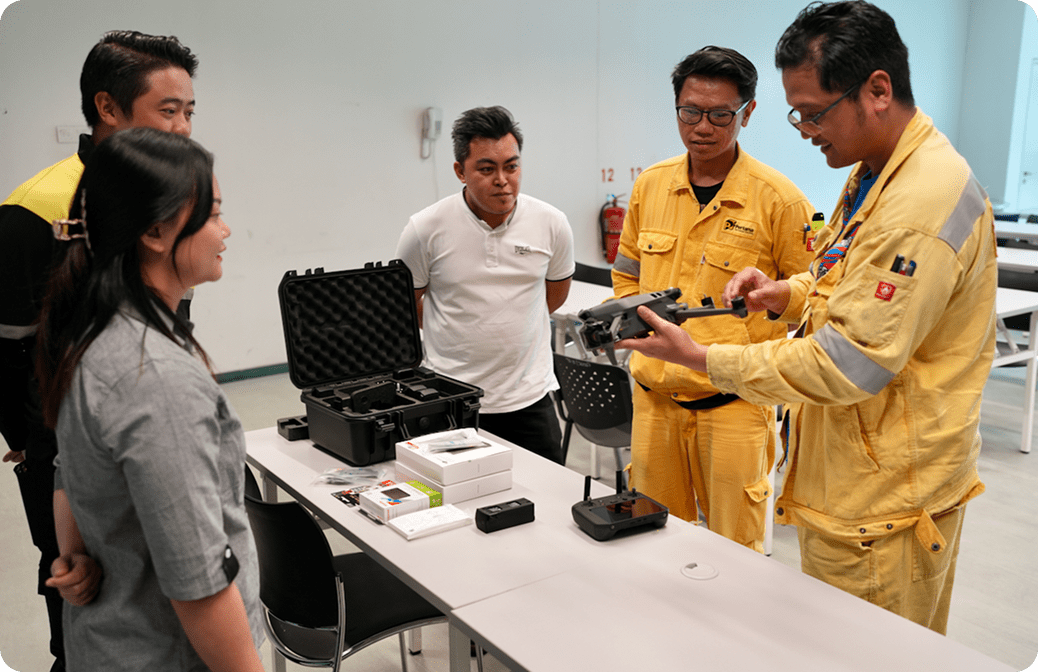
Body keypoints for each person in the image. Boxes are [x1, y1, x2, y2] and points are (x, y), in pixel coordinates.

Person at [617, 0, 995, 635]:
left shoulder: (918, 202)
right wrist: (787, 294)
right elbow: (839, 281)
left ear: (878, 90)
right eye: (798, 113)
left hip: (885, 499)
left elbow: (848, 363)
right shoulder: (872, 174)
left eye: (815, 113)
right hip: (850, 472)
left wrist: (704, 359)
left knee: (865, 651)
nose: (805, 130)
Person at [0, 30, 197, 671]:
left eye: (190, 112)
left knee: (154, 593)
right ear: (108, 108)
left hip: (151, 437)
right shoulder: (35, 211)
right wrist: (39, 454)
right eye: (169, 111)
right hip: (64, 458)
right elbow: (8, 354)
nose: (184, 128)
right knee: (83, 599)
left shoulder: (168, 196)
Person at [35, 127, 263, 671]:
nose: (226, 230)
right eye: (212, 214)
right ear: (157, 232)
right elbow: (199, 585)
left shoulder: (97, 331)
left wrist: (76, 553)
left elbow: (68, 471)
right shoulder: (155, 377)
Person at [611, 47, 815, 551]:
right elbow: (627, 273)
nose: (702, 126)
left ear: (746, 112)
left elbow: (816, 289)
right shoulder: (650, 186)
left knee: (735, 553)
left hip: (735, 405)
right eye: (690, 112)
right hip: (656, 402)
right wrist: (634, 327)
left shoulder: (779, 199)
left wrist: (779, 297)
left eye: (720, 115)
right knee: (652, 544)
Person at [396, 106, 574, 464]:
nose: (502, 180)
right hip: (450, 400)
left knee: (550, 504)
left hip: (529, 400)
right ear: (461, 171)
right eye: (486, 168)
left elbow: (553, 296)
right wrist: (456, 328)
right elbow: (404, 303)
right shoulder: (425, 228)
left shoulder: (551, 223)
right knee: (455, 509)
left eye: (511, 166)